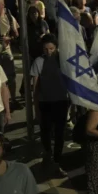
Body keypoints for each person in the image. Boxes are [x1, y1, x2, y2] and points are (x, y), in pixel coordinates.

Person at [31, 34, 69, 177]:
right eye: (46, 49)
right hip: (45, 103)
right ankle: (48, 157)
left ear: (56, 48)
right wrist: (36, 108)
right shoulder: (38, 62)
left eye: (51, 48)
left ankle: (57, 162)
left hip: (60, 102)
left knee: (59, 134)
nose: (49, 52)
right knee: (46, 133)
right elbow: (35, 88)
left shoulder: (62, 61)